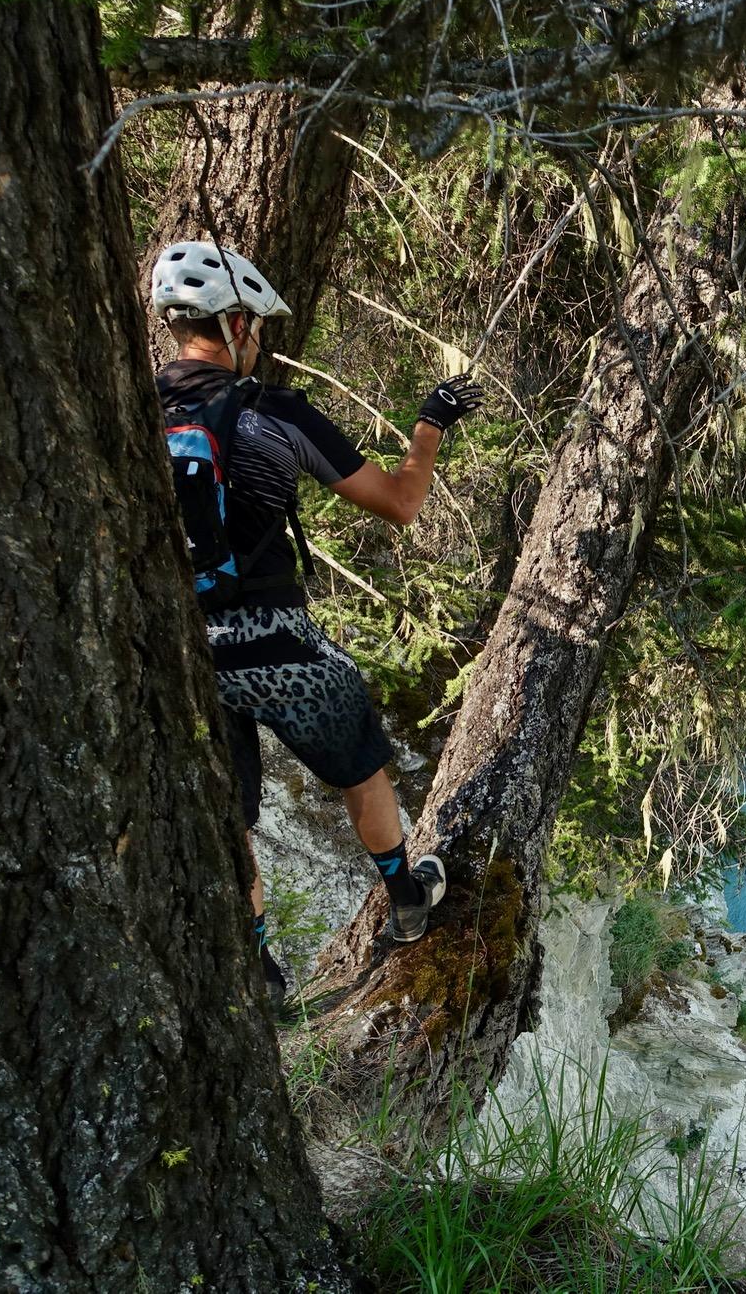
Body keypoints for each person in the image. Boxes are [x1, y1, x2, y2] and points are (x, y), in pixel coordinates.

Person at [149, 240, 485, 1003]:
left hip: (183, 648)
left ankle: (263, 971)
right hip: (277, 639)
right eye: (256, 327)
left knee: (230, 810)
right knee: (360, 764)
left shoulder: (127, 411)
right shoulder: (273, 412)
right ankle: (406, 899)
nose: (259, 340)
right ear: (234, 325)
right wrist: (431, 423)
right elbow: (401, 503)